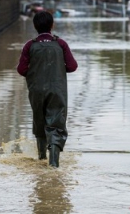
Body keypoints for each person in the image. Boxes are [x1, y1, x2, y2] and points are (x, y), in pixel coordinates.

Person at [17, 11, 78, 168]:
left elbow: (21, 70)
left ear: (35, 26)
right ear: (52, 25)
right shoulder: (61, 44)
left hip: (36, 90)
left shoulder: (29, 46)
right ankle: (53, 164)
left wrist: (37, 71)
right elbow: (72, 66)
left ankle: (41, 158)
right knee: (56, 124)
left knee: (40, 121)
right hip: (57, 90)